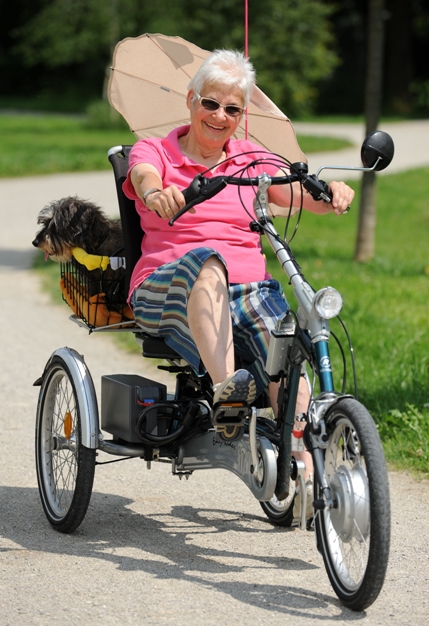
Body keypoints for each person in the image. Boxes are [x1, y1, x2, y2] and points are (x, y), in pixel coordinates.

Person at [123, 50, 354, 514]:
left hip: (249, 291)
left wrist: (332, 194)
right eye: (211, 103)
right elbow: (143, 177)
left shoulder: (251, 158)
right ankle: (229, 395)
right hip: (167, 285)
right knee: (207, 263)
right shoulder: (156, 151)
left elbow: (297, 194)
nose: (220, 116)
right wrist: (157, 192)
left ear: (241, 115)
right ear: (191, 100)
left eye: (232, 109)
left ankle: (310, 468)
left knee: (286, 344)